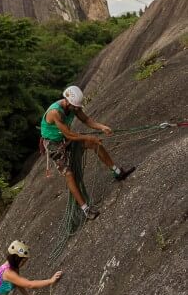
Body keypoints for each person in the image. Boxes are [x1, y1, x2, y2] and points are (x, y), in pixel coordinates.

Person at [41, 84, 135, 219]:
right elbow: (69, 134)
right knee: (69, 173)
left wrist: (102, 127)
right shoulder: (55, 112)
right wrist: (89, 137)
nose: (77, 109)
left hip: (65, 137)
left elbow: (86, 120)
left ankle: (117, 172)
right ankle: (85, 209)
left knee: (94, 143)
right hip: (54, 144)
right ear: (68, 102)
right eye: (75, 107)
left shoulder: (73, 106)